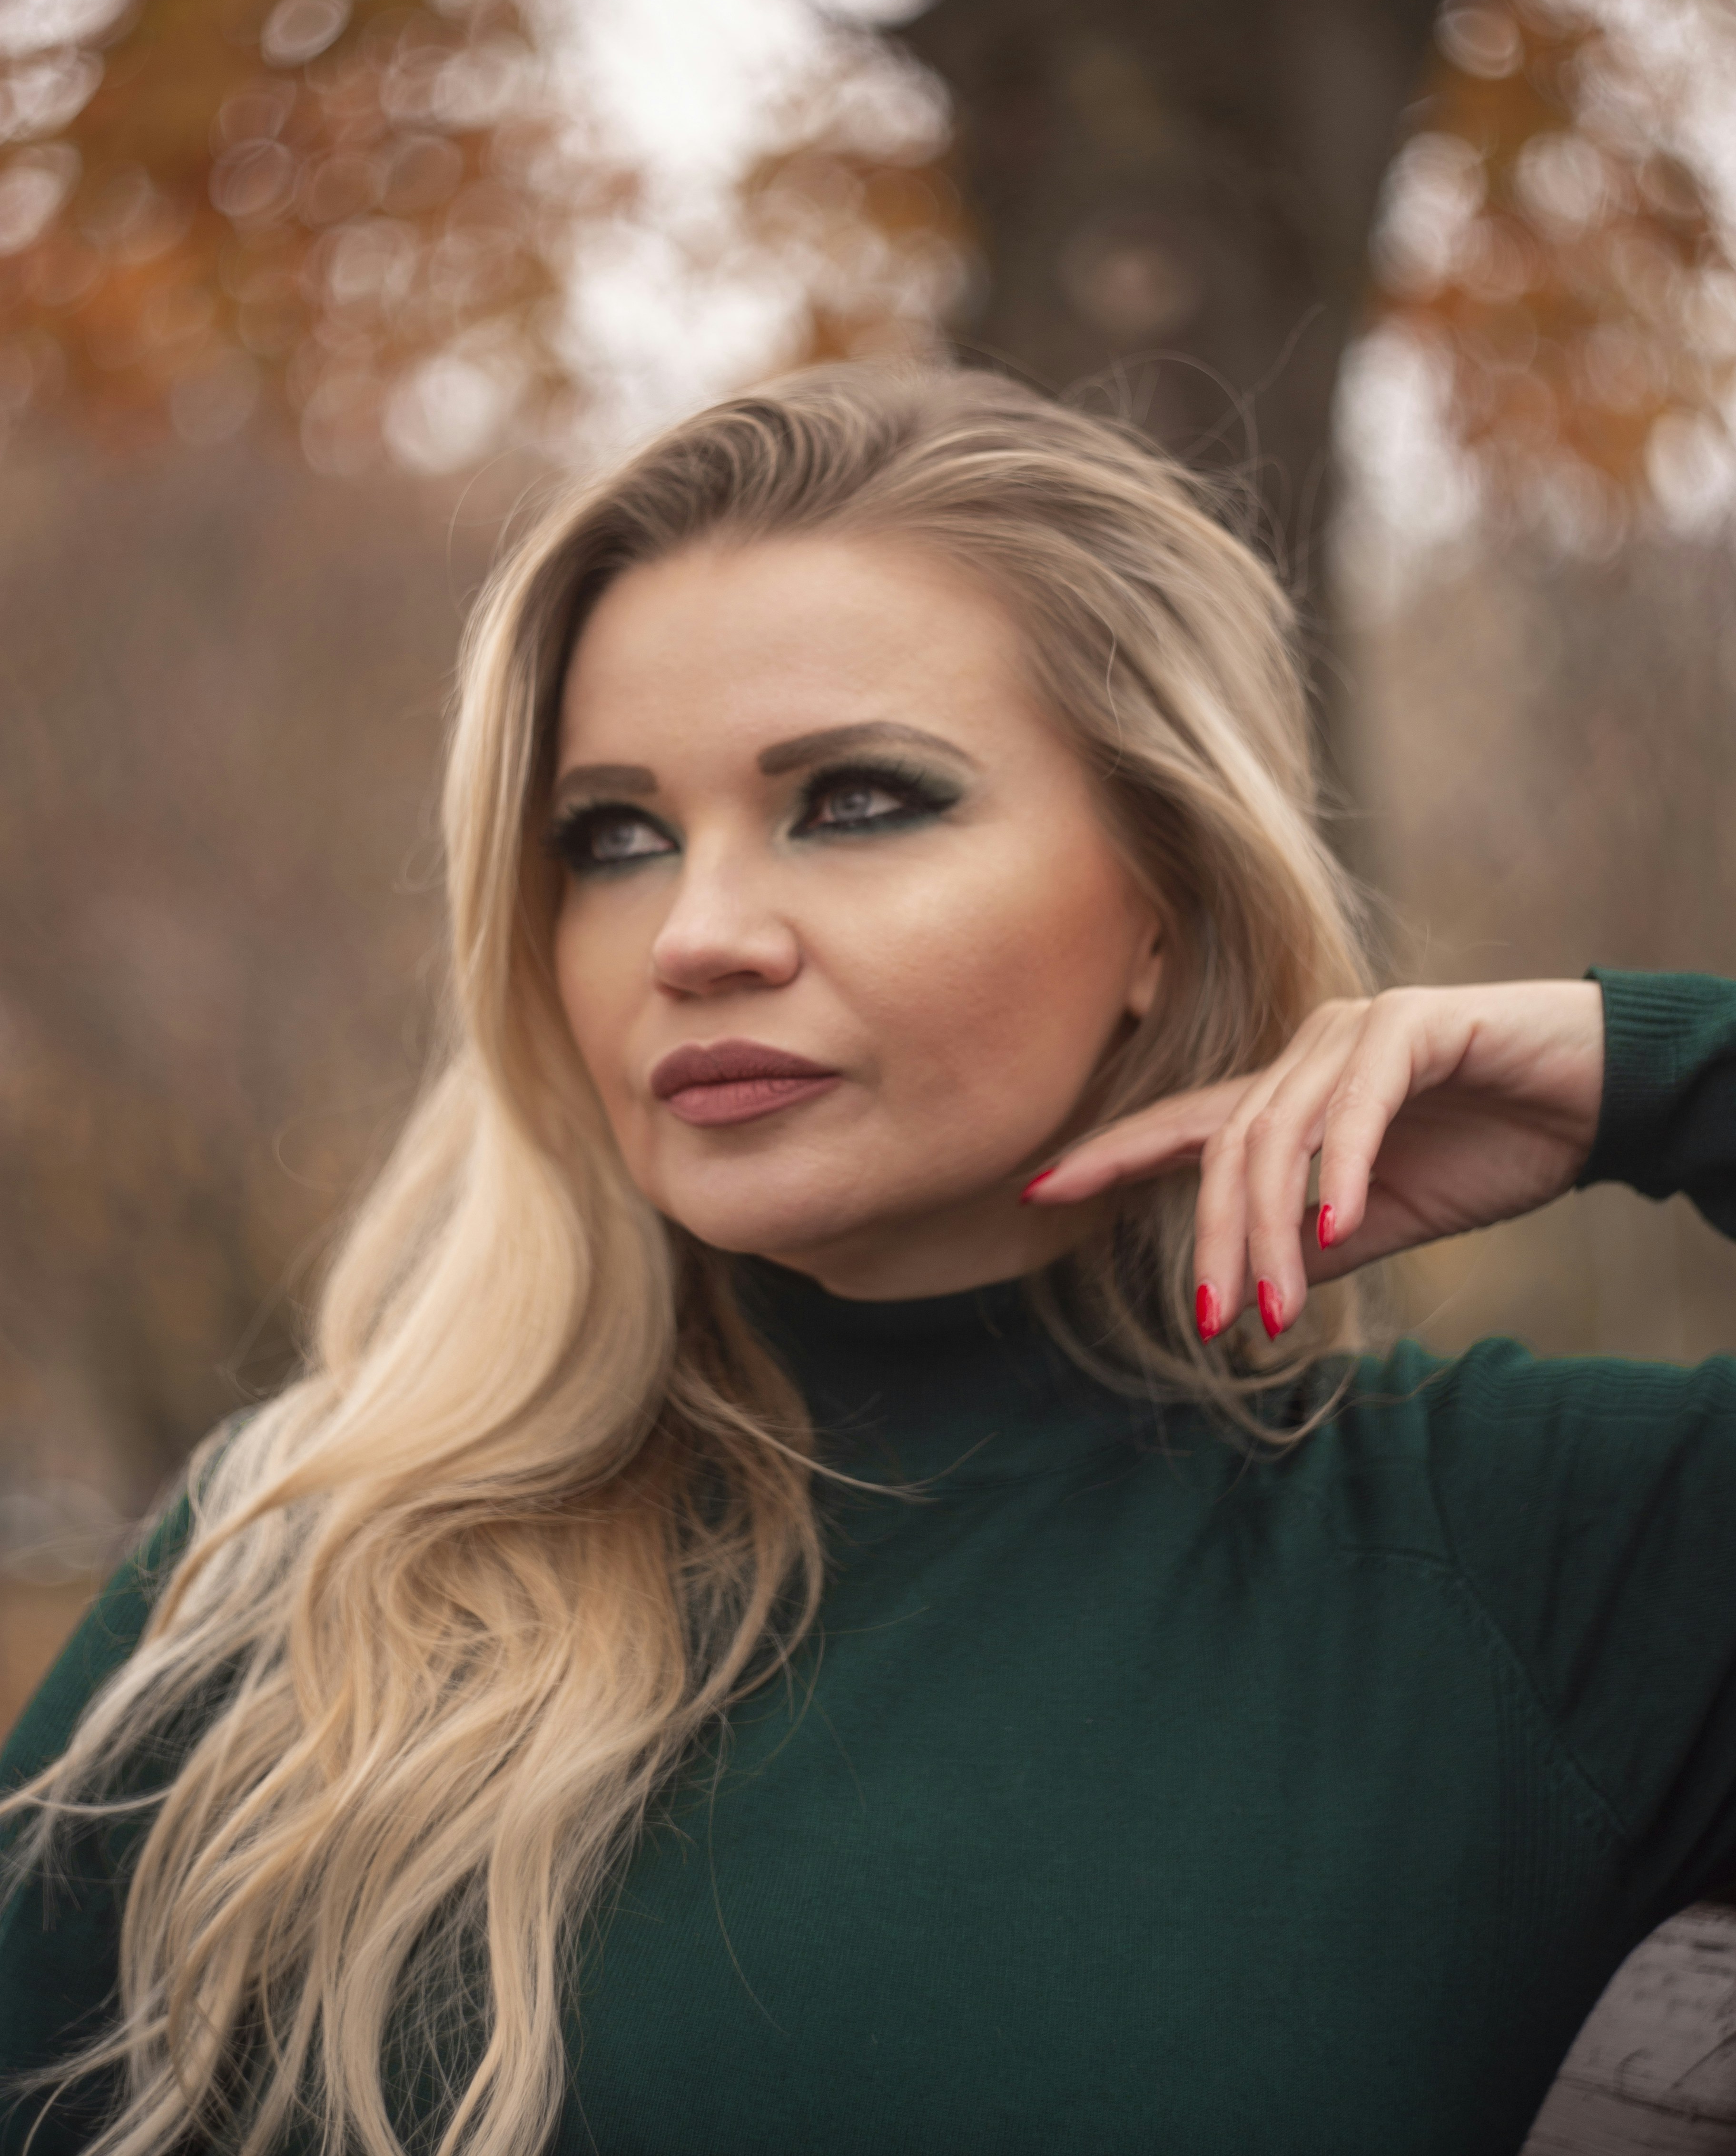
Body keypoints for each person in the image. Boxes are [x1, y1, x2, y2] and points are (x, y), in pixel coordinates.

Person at [2, 358, 1735, 2156]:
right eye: (612, 837)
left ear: (1166, 897)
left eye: (857, 801)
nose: (696, 935)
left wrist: (1650, 1074)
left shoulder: (1527, 1554)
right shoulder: (316, 1558)